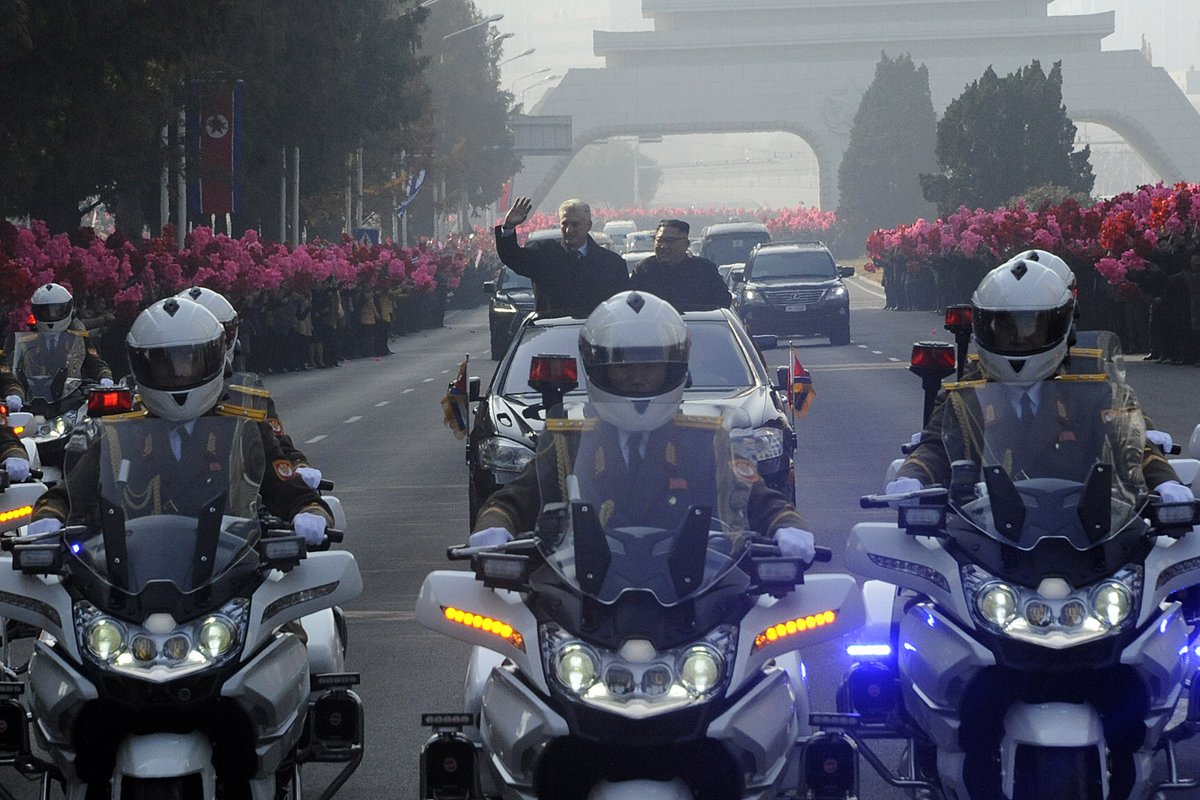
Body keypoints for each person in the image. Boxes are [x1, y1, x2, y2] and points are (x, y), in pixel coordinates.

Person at [470, 290, 816, 561]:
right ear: (599, 368)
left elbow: (755, 497)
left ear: (673, 367)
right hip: (587, 588)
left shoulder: (705, 438)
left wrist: (787, 526)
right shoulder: (566, 440)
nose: (637, 377)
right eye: (624, 367)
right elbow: (515, 500)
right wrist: (494, 526)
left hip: (691, 583)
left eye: (651, 366)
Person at [28, 297, 333, 545]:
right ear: (141, 365)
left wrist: (310, 514)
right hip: (132, 569)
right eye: (165, 365)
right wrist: (50, 516)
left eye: (189, 362)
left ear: (215, 357)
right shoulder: (121, 434)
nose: (179, 373)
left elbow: (292, 494)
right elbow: (69, 493)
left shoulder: (243, 429)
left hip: (230, 569)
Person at [888, 258, 1190, 502]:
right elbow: (934, 446)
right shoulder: (964, 398)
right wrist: (912, 476)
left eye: (1031, 327)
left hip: (1083, 528)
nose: (1018, 337)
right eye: (1005, 327)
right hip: (985, 532)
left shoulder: (1092, 393)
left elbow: (1131, 445)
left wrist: (1166, 483)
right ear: (984, 326)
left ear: (1060, 326)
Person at [176, 286, 326, 492]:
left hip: (236, 499)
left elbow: (276, 448)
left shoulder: (247, 400)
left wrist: (298, 467)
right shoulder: (142, 410)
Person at [495, 197, 628, 318]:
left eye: (575, 224)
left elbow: (622, 306)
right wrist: (508, 227)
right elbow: (513, 258)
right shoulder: (543, 254)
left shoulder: (612, 263)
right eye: (565, 224)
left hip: (597, 333)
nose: (569, 230)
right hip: (551, 332)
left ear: (588, 226)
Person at [2, 283, 113, 412]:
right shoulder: (23, 341)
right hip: (31, 402)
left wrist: (104, 376)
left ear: (68, 309)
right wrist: (13, 393)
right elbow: (8, 370)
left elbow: (94, 361)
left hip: (70, 401)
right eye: (45, 311)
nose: (51, 315)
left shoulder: (78, 338)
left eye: (56, 311)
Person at [629, 219, 731, 311]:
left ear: (686, 244)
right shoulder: (644, 269)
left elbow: (723, 302)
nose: (663, 246)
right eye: (659, 241)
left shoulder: (704, 270)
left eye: (670, 241)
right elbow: (631, 305)